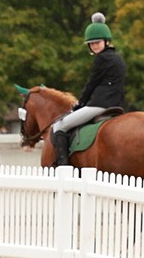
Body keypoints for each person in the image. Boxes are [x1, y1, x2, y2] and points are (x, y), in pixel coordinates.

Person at [51, 13, 126, 167]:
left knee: (59, 126)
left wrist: (80, 103)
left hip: (98, 105)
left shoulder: (101, 59)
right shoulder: (118, 58)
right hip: (116, 104)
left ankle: (63, 166)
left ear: (106, 41)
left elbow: (91, 84)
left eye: (97, 42)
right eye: (91, 43)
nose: (94, 46)